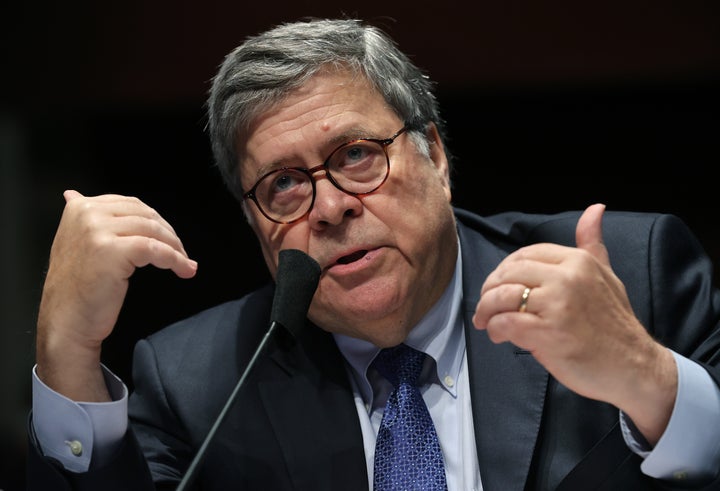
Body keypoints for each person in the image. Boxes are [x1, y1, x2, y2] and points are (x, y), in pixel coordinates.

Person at [26, 17, 720, 491]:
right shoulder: (200, 381)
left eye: (357, 155)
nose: (329, 208)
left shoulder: (631, 275)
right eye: (285, 184)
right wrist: (67, 355)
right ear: (253, 221)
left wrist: (647, 379)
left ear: (437, 156)